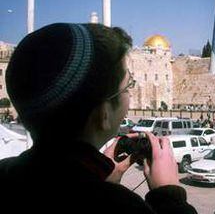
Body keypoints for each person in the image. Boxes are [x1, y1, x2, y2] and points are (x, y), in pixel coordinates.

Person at [0, 23, 197, 213]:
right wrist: (170, 197)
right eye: (128, 86)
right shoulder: (121, 206)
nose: (130, 94)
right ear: (104, 114)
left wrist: (100, 177)